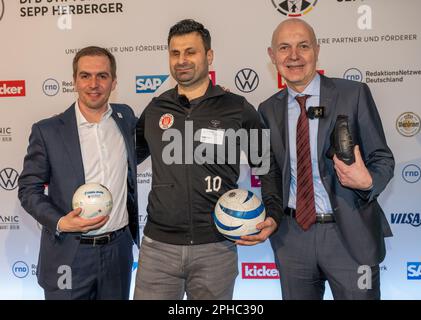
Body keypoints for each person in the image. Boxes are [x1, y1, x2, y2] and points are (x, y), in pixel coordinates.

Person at [133, 19, 282, 300]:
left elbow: (266, 165)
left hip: (216, 247)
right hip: (157, 249)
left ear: (209, 56)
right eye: (175, 53)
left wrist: (273, 214)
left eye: (191, 52)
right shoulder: (156, 108)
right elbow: (126, 158)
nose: (182, 60)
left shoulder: (237, 108)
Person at [258, 18, 394, 300]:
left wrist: (368, 181)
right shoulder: (267, 109)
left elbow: (382, 158)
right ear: (272, 56)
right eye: (284, 48)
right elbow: (269, 173)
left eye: (303, 46)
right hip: (291, 238)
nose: (293, 56)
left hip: (350, 235)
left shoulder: (353, 94)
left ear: (317, 50)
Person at [18, 46, 139, 300]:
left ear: (114, 81)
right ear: (74, 80)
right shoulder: (47, 131)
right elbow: (29, 190)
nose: (93, 84)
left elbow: (162, 133)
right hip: (69, 253)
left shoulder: (125, 117)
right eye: (85, 76)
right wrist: (61, 222)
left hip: (118, 251)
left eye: (102, 76)